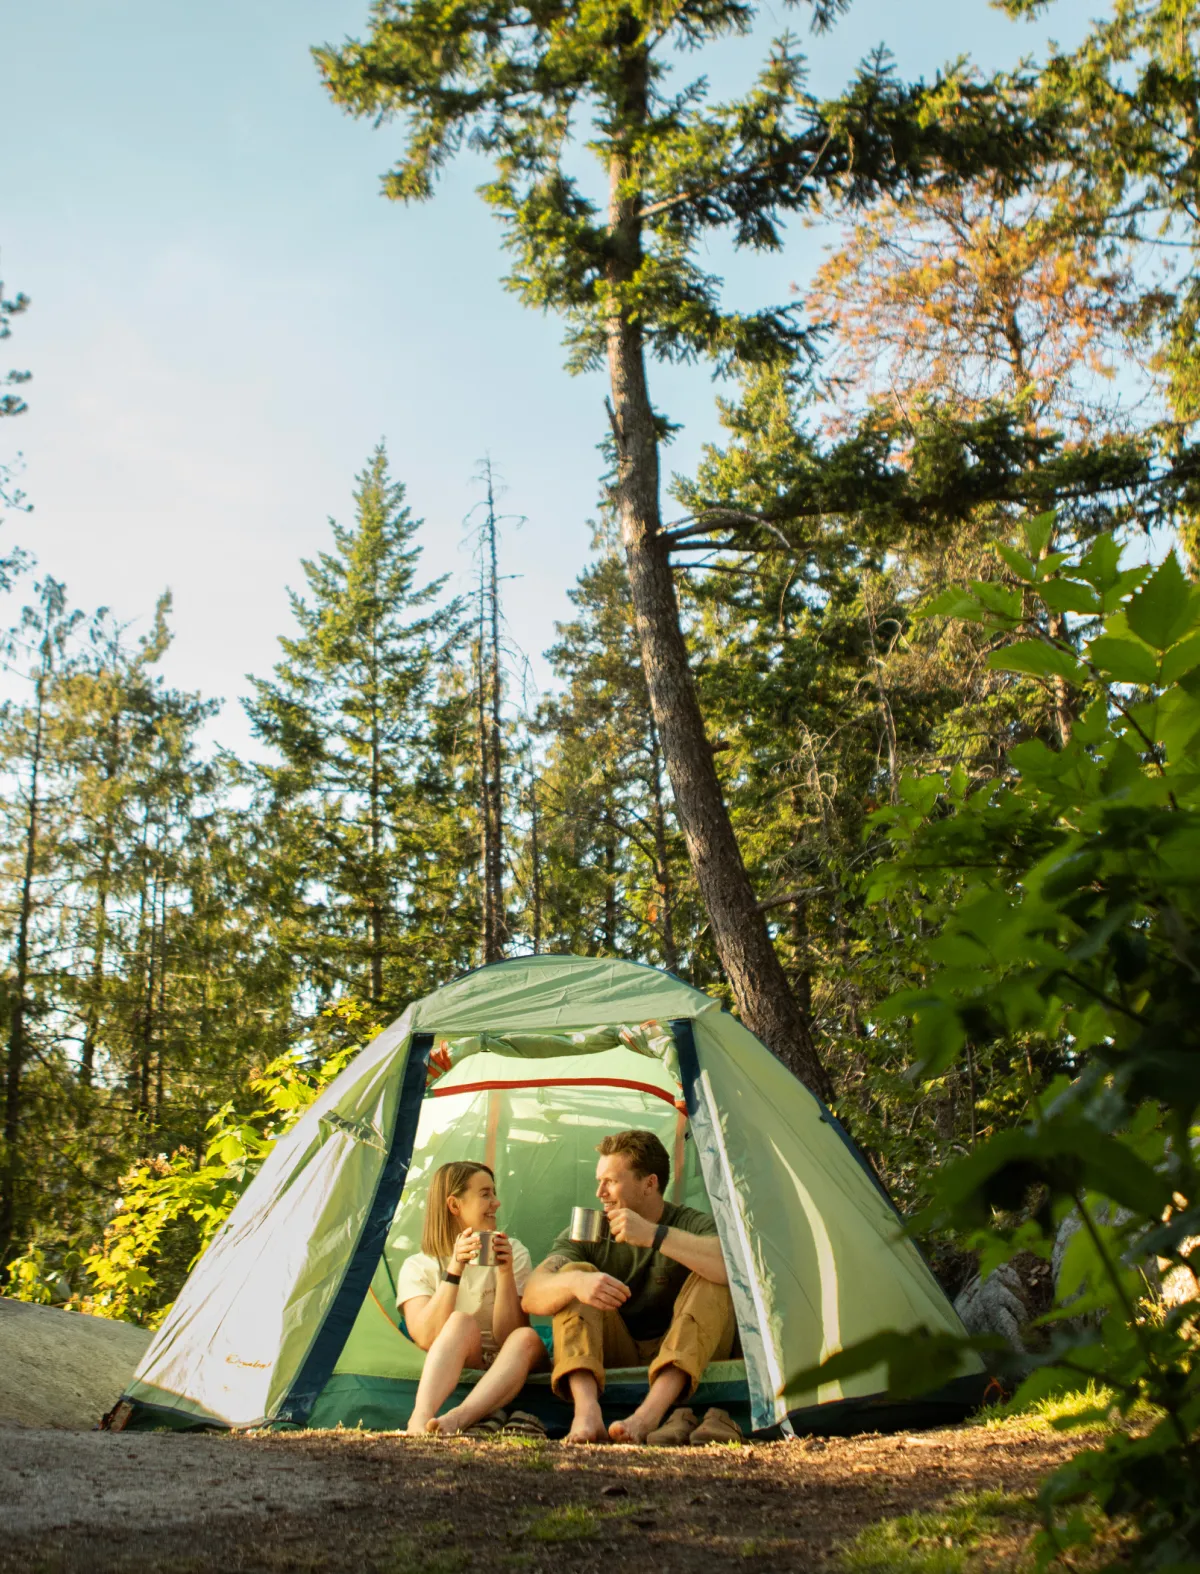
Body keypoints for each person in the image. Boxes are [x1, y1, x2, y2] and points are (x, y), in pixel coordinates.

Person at [521, 1129, 737, 1445]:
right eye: (599, 1181)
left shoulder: (689, 1223)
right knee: (573, 1278)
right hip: (617, 1351)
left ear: (649, 1183)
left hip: (690, 1353)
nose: (600, 1193)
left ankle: (648, 1415)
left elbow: (733, 1271)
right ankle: (586, 1412)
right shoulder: (590, 1229)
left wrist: (655, 1236)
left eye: (610, 1181)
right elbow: (532, 1295)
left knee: (713, 1278)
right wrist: (576, 1281)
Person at [396, 1160, 545, 1436]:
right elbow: (426, 1337)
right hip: (465, 1360)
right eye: (485, 1194)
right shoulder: (418, 1266)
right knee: (460, 1322)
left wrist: (504, 1272)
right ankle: (419, 1419)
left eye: (494, 1193)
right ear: (454, 1205)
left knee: (527, 1337)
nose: (496, 1202)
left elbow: (508, 1334)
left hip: (509, 1360)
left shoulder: (515, 1252)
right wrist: (454, 1268)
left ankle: (457, 1419)